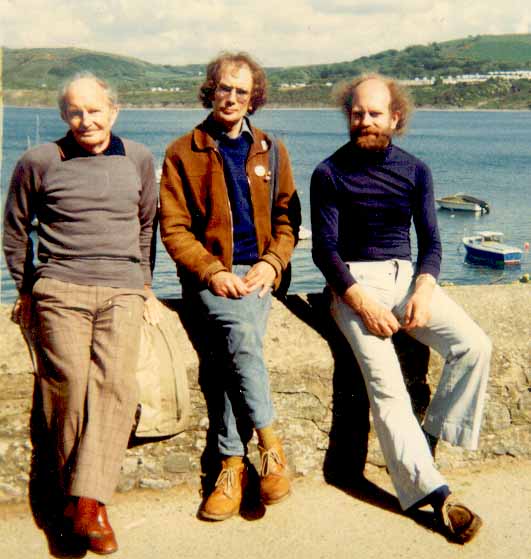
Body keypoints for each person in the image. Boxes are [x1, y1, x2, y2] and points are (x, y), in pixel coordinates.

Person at [310, 74, 491, 544]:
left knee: (474, 346)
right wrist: (361, 302)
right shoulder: (329, 173)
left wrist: (424, 288)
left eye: (374, 114)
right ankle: (437, 497)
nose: (364, 121)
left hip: (406, 276)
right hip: (352, 283)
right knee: (387, 388)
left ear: (395, 118)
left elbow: (431, 241)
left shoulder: (416, 170)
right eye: (356, 113)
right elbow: (324, 252)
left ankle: (426, 442)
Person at [3, 72, 160, 554]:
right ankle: (90, 504)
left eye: (94, 110)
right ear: (63, 115)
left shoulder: (139, 158)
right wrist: (26, 287)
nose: (85, 120)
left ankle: (84, 503)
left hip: (122, 289)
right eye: (75, 111)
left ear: (113, 111)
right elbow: (15, 230)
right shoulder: (39, 161)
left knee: (115, 382)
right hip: (60, 286)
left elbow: (146, 225)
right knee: (68, 381)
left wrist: (144, 285)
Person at [159, 51, 300, 521]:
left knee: (226, 353)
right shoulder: (183, 151)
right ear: (210, 90)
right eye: (224, 88)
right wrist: (214, 271)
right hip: (209, 275)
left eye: (242, 91)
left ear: (252, 97)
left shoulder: (272, 150)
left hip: (257, 272)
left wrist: (272, 262)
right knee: (240, 337)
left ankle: (231, 466)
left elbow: (287, 219)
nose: (232, 98)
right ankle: (269, 443)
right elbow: (174, 228)